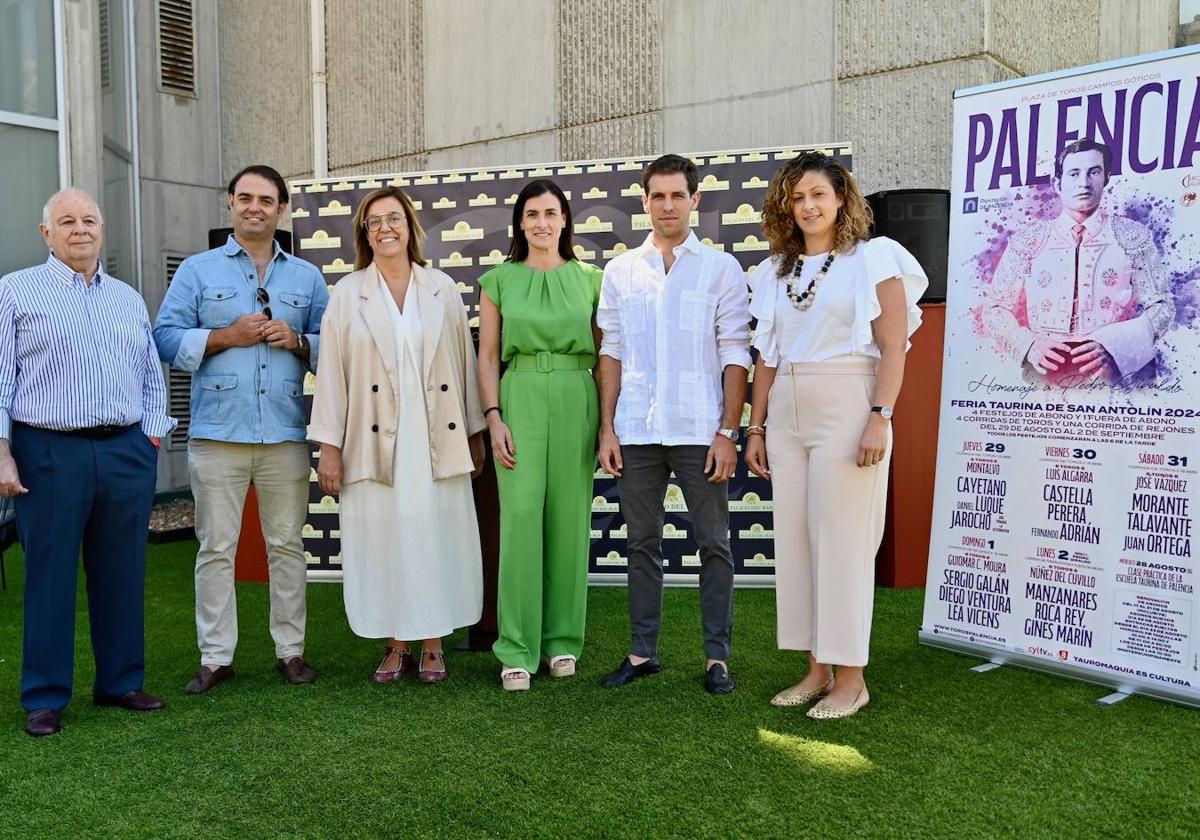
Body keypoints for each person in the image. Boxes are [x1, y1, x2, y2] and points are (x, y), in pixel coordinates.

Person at [743, 151, 926, 719]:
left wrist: (881, 415)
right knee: (797, 543)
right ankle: (817, 669)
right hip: (786, 414)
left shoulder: (874, 258)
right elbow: (766, 357)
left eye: (818, 194)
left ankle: (852, 677)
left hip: (849, 405)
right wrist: (755, 425)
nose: (808, 206)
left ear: (842, 198)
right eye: (797, 198)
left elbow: (893, 346)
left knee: (842, 542)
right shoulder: (777, 272)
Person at [0, 189, 175, 737]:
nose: (80, 229)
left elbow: (150, 373)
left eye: (90, 220)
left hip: (124, 450)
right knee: (49, 575)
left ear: (102, 230)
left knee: (122, 570)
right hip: (47, 450)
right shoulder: (14, 292)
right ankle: (45, 695)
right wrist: (1, 451)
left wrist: (149, 438)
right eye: (67, 221)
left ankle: (121, 681)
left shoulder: (126, 297)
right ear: (46, 232)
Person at [153, 165, 329, 695]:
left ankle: (290, 653)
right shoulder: (196, 271)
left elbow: (333, 346)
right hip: (216, 434)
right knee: (215, 548)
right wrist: (225, 335)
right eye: (246, 197)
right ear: (230, 203)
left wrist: (298, 340)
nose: (255, 207)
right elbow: (164, 337)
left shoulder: (307, 277)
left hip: (284, 433)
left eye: (267, 199)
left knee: (286, 546)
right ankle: (215, 657)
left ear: (282, 209)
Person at [308, 186, 485, 683]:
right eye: (374, 222)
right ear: (364, 234)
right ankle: (395, 643)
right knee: (384, 538)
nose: (385, 228)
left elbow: (465, 364)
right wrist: (329, 448)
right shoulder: (347, 294)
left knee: (435, 535)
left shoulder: (442, 288)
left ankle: (433, 645)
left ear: (410, 228)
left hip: (436, 438)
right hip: (372, 441)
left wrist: (474, 433)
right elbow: (333, 376)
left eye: (394, 219)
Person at [596, 154, 750, 695]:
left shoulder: (721, 269)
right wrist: (607, 429)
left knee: (714, 543)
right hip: (636, 429)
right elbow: (611, 353)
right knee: (642, 544)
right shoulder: (619, 272)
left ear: (695, 200)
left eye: (676, 196)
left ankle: (717, 659)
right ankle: (642, 653)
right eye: (657, 196)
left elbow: (735, 354)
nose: (667, 205)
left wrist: (727, 432)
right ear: (644, 202)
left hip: (700, 429)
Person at [477, 179, 603, 691]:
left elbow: (607, 354)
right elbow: (486, 354)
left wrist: (608, 422)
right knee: (522, 519)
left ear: (566, 220)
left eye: (551, 213)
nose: (542, 223)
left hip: (578, 391)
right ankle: (516, 649)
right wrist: (493, 416)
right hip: (520, 392)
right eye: (532, 214)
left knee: (570, 521)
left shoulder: (593, 279)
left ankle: (562, 642)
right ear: (520, 223)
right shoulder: (499, 280)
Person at [984, 138, 1173, 384]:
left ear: (1105, 178)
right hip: (1043, 376)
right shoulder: (1028, 240)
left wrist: (1114, 346)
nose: (1083, 183)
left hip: (1111, 377)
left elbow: (1161, 307)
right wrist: (1028, 345)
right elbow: (994, 308)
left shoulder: (1131, 236)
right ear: (1057, 183)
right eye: (1074, 173)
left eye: (1093, 172)